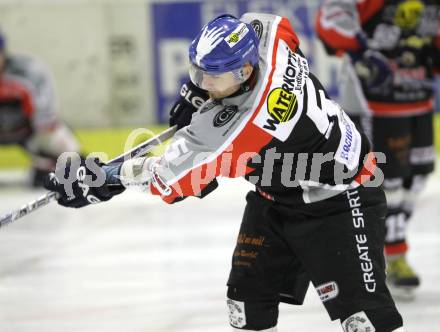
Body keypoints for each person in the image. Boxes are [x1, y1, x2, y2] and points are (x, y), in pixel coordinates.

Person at [45, 13, 405, 332]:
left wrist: (105, 178)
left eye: (212, 77)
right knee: (246, 310)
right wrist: (196, 96)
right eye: (197, 73)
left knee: (365, 321)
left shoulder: (244, 127)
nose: (203, 84)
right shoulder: (264, 34)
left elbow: (169, 180)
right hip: (275, 197)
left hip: (343, 198)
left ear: (245, 71)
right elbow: (282, 28)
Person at [315, 0, 440, 296]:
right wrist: (360, 49)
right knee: (387, 181)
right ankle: (391, 254)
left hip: (418, 97)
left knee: (420, 175)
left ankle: (379, 244)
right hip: (373, 101)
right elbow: (329, 18)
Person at [0, 28, 81, 186]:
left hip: (28, 132)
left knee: (65, 148)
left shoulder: (28, 71)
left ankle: (51, 167)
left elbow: (47, 115)